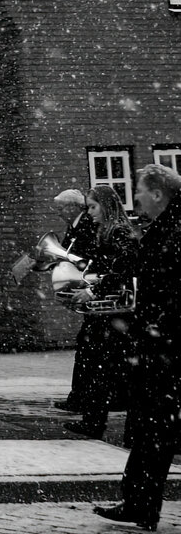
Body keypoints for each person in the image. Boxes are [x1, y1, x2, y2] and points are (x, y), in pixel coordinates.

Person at [95, 166, 181, 532]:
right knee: (151, 428)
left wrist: (152, 327)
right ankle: (138, 503)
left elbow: (165, 289)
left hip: (165, 346)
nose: (138, 199)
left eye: (142, 191)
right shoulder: (163, 229)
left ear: (158, 194)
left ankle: (140, 504)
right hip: (159, 343)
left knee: (153, 427)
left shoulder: (172, 232)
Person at [64, 184, 139, 439]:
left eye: (93, 207)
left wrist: (94, 289)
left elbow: (124, 268)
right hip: (106, 312)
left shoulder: (117, 232)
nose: (89, 212)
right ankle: (94, 419)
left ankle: (98, 421)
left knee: (103, 367)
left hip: (113, 313)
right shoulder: (105, 231)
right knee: (99, 366)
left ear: (105, 206)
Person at [43, 187, 98, 413]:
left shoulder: (86, 225)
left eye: (61, 208)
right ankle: (82, 397)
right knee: (88, 346)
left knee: (88, 347)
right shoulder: (75, 226)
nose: (58, 212)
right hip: (87, 289)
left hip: (92, 290)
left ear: (74, 207)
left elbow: (86, 258)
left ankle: (84, 398)